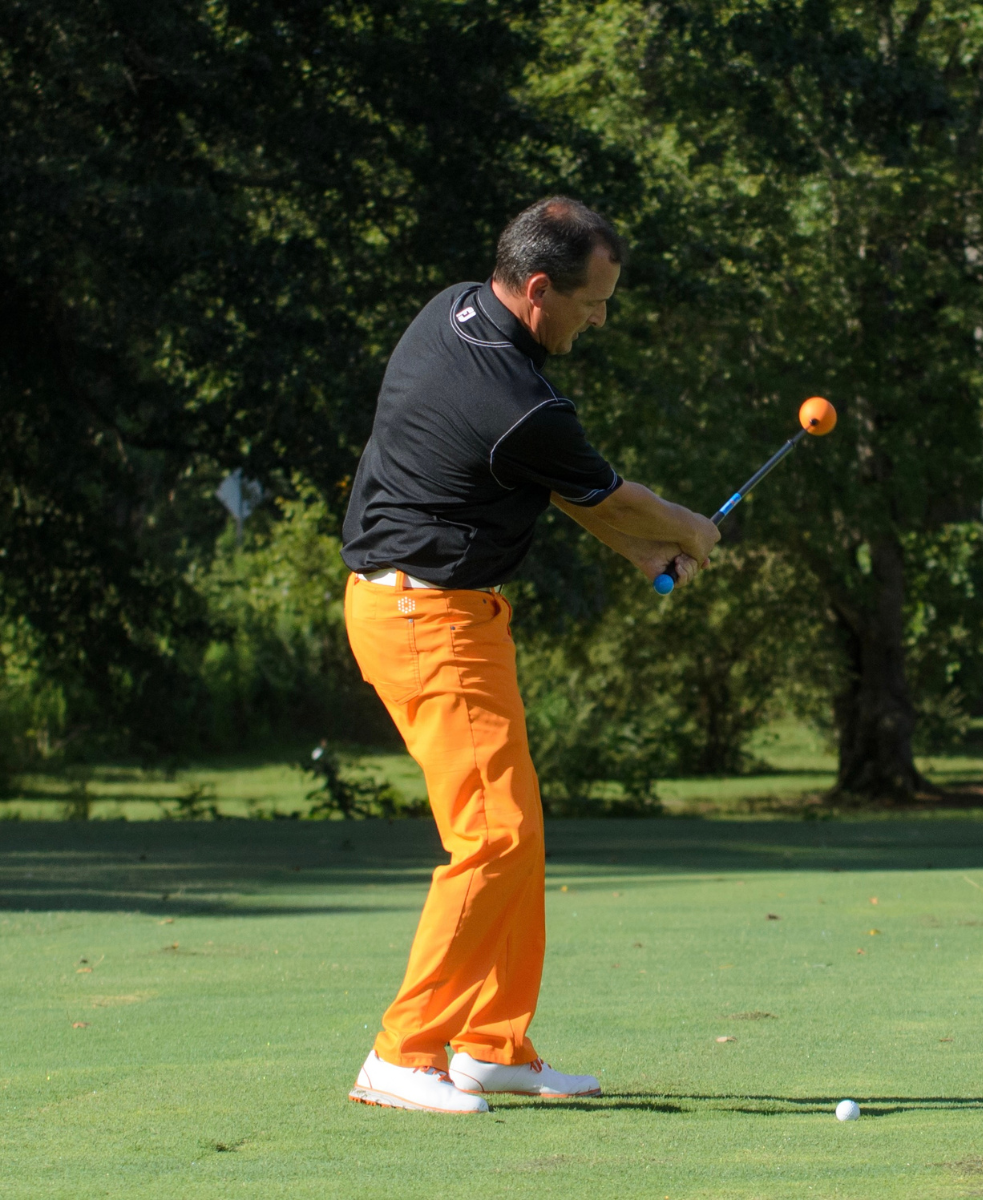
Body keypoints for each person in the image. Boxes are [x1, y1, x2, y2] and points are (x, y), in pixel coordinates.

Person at [340, 197, 720, 1114]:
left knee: (517, 834)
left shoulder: (456, 307)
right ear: (540, 288)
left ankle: (491, 1041)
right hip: (427, 619)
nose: (600, 321)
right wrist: (688, 530)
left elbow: (555, 484)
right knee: (492, 837)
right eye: (592, 304)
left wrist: (637, 546)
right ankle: (402, 1052)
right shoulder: (521, 401)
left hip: (441, 612)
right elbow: (609, 490)